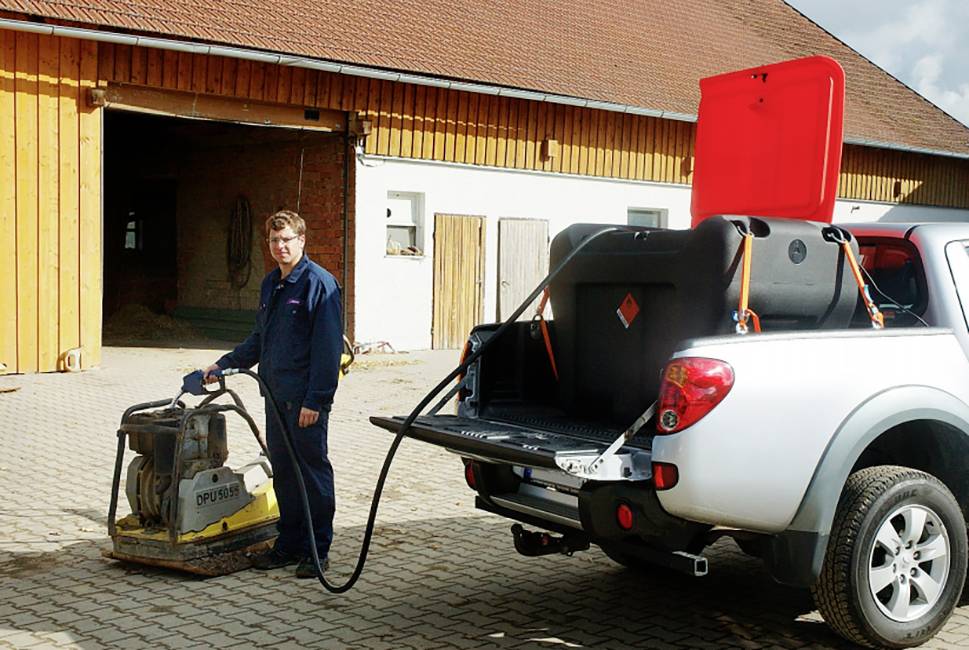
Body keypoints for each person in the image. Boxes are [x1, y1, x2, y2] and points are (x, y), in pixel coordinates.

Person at [204, 209, 343, 579]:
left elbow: (328, 351)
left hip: (304, 402)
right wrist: (223, 365)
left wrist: (317, 400)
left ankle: (318, 550)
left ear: (302, 241)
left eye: (287, 240)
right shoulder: (271, 284)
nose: (280, 246)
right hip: (274, 395)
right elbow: (260, 339)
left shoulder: (319, 285)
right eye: (273, 240)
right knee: (283, 472)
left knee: (311, 474)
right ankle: (289, 544)